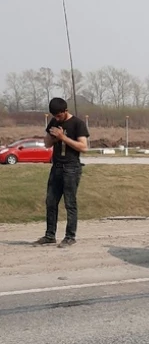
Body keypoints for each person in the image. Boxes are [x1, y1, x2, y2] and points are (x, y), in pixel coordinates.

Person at [33, 97, 90, 247]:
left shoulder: (78, 124)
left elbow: (84, 147)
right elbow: (46, 144)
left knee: (70, 203)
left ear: (65, 111)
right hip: (56, 166)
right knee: (50, 201)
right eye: (54, 116)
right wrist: (54, 138)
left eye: (59, 115)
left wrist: (63, 137)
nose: (57, 118)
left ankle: (70, 236)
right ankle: (50, 235)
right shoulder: (53, 122)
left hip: (71, 167)